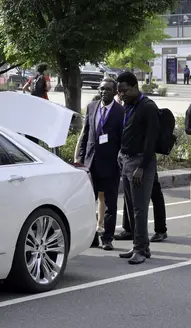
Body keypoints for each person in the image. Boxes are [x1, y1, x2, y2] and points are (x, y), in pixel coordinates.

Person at [115, 71, 160, 264]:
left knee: (140, 209)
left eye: (124, 91)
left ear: (135, 87)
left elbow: (151, 140)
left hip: (141, 163)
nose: (121, 95)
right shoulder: (128, 106)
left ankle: (142, 249)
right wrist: (120, 152)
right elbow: (127, 133)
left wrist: (141, 167)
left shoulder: (148, 107)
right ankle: (137, 246)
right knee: (131, 207)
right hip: (126, 160)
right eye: (119, 92)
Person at [76, 78, 124, 250]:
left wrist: (120, 160)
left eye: (108, 89)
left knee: (111, 203)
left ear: (115, 91)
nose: (104, 92)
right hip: (91, 163)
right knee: (90, 202)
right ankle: (92, 238)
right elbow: (86, 134)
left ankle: (107, 238)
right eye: (102, 89)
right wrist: (80, 158)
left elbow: (122, 140)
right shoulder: (91, 107)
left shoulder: (121, 112)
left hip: (111, 165)